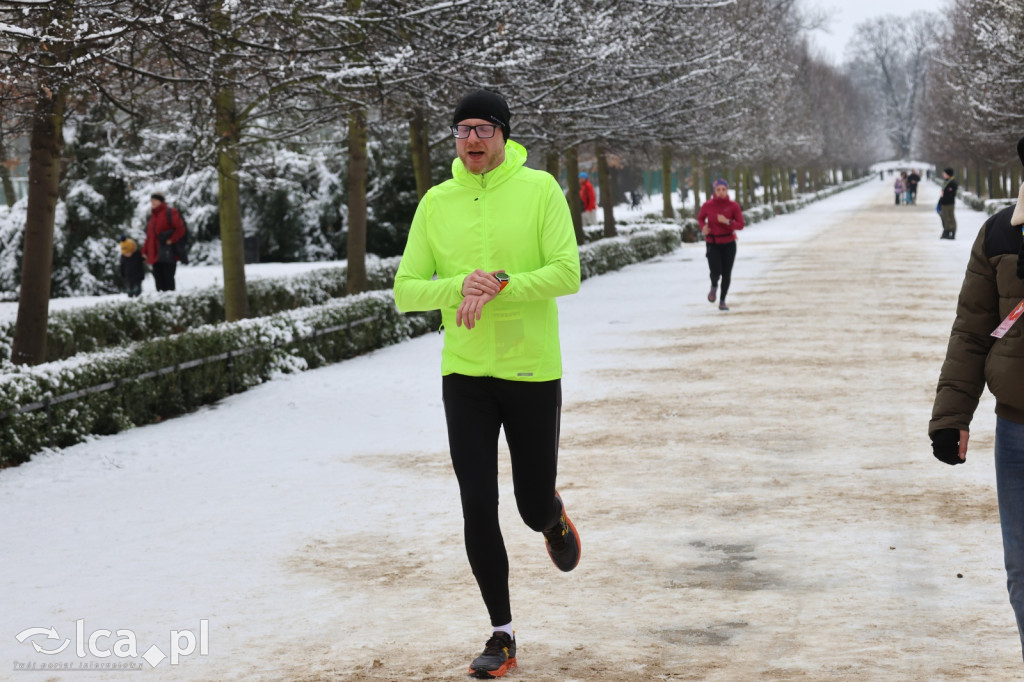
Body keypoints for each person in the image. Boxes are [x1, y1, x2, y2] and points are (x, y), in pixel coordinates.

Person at [393, 89, 582, 679]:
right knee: (477, 503)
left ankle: (551, 517)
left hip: (530, 369)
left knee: (527, 504)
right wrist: (459, 287)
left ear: (503, 134)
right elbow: (405, 289)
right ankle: (501, 633)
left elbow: (567, 272)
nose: (471, 139)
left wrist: (500, 282)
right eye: (462, 130)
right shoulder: (436, 202)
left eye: (482, 128)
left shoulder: (541, 190)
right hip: (465, 374)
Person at [929, 135, 1024, 661]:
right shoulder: (998, 235)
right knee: (1023, 572)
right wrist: (951, 416)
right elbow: (972, 331)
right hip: (1018, 432)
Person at [697, 179, 745, 311]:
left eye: (723, 189)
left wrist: (728, 222)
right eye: (718, 190)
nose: (721, 192)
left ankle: (722, 300)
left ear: (727, 190)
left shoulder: (733, 206)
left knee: (726, 273)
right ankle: (713, 286)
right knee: (715, 270)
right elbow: (700, 218)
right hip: (713, 242)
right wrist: (703, 228)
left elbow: (741, 224)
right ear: (714, 191)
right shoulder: (708, 205)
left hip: (729, 243)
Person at [142, 193, 186, 291]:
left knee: (168, 280)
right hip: (155, 255)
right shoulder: (152, 217)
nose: (152, 202)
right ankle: (162, 302)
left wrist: (172, 239)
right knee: (158, 281)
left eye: (155, 200)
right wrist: (145, 252)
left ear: (161, 201)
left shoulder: (170, 212)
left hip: (167, 253)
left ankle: (170, 301)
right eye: (151, 200)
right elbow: (149, 237)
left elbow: (180, 229)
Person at [938, 167, 959, 239]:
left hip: (949, 203)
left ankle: (952, 232)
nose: (943, 174)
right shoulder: (946, 182)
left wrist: (944, 200)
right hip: (945, 203)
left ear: (948, 174)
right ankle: (947, 231)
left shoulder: (952, 183)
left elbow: (950, 194)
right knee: (945, 217)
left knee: (950, 217)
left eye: (944, 173)